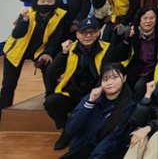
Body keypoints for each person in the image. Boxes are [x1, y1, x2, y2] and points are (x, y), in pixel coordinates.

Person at [45, 17, 114, 151]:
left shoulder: (106, 48)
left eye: (92, 32)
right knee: (51, 101)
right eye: (84, 32)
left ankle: (84, 132)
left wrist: (95, 94)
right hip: (72, 93)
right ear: (77, 34)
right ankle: (67, 131)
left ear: (98, 32)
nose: (88, 36)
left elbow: (105, 74)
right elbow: (51, 73)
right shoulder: (69, 48)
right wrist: (63, 53)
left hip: (95, 94)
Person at [1, 0, 65, 111]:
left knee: (50, 70)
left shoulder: (59, 15)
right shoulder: (27, 13)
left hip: (38, 50)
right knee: (8, 84)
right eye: (43, 1)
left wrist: (47, 53)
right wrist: (24, 20)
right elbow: (16, 34)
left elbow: (55, 37)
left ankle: (51, 102)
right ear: (36, 1)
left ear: (55, 2)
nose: (46, 4)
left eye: (50, 1)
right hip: (16, 50)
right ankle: (3, 112)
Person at [60, 63, 136, 159]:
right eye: (105, 79)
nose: (110, 82)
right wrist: (90, 103)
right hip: (82, 149)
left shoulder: (129, 106)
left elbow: (113, 138)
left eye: (114, 77)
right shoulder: (91, 98)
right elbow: (70, 129)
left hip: (107, 153)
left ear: (124, 78)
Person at [112, 6, 158, 101]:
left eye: (152, 18)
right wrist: (127, 40)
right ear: (139, 19)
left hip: (152, 69)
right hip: (134, 68)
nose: (148, 21)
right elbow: (119, 56)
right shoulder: (132, 31)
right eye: (145, 18)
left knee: (140, 87)